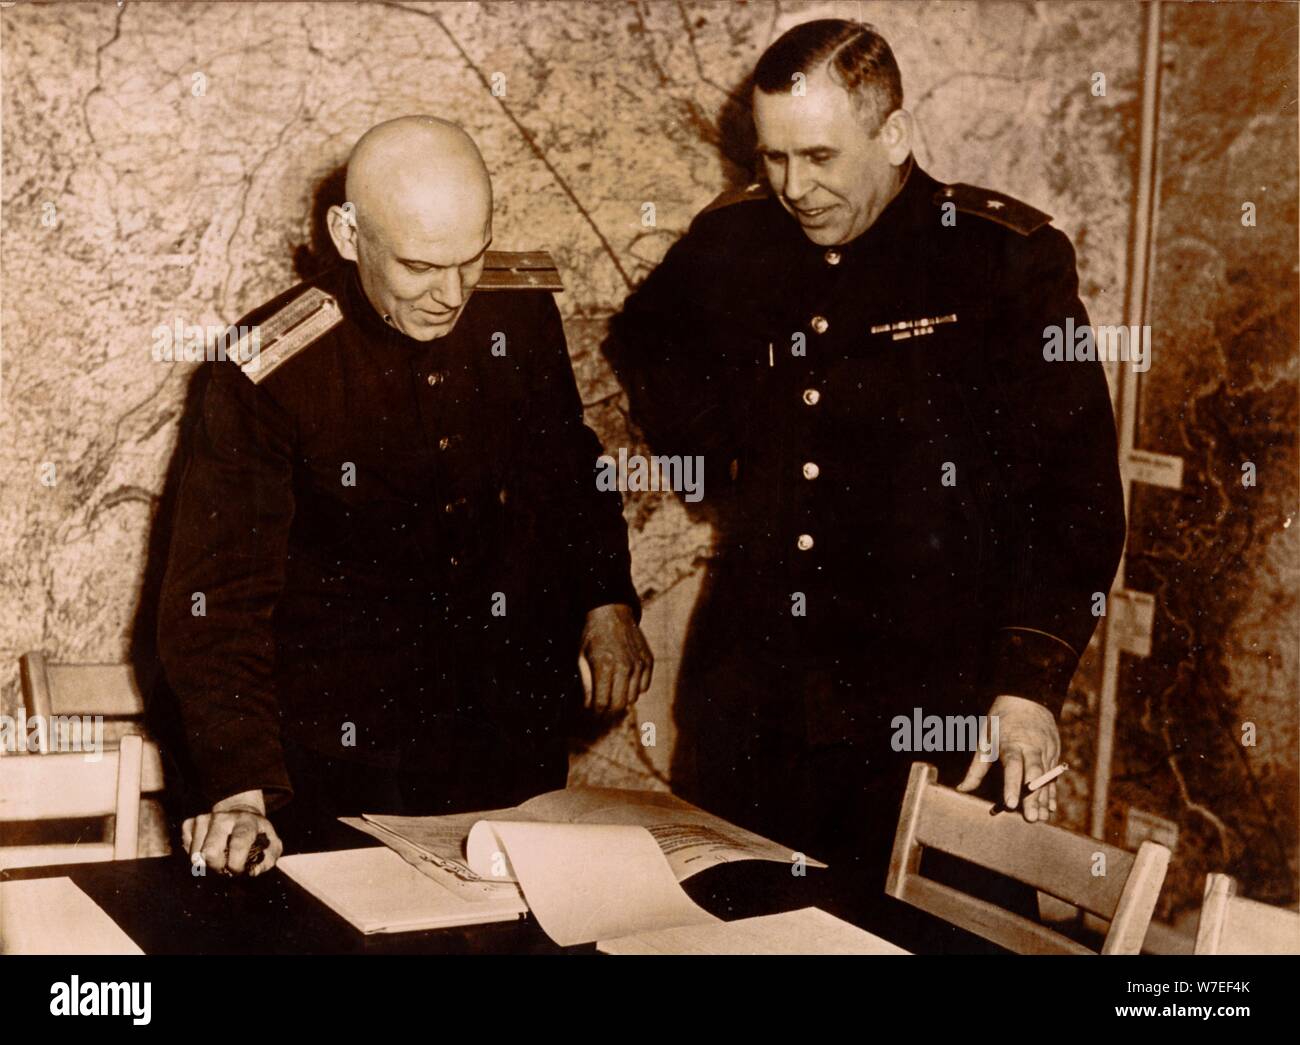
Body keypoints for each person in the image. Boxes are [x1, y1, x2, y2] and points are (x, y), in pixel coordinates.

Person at [606, 20, 1125, 939]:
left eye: (819, 155)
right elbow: (646, 335)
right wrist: (719, 452)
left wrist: (1029, 684)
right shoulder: (737, 239)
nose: (795, 188)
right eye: (774, 158)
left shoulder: (1003, 259)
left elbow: (1077, 495)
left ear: (893, 134)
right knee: (723, 939)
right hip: (753, 711)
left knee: (939, 940)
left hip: (928, 716)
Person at [159, 116, 652, 875]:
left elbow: (567, 468)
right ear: (348, 234)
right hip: (336, 766)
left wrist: (605, 599)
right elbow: (216, 602)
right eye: (420, 266)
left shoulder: (520, 315)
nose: (451, 295)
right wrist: (239, 791)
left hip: (505, 751)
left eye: (471, 258)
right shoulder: (266, 370)